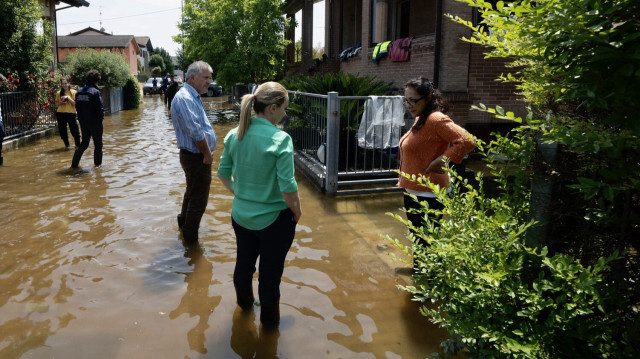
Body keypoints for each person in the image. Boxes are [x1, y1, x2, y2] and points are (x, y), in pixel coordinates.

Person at [217, 82, 301, 329]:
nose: (286, 113)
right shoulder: (280, 139)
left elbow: (223, 173)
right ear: (273, 108)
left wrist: (240, 194)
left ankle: (244, 310)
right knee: (270, 276)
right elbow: (288, 186)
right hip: (274, 220)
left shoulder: (235, 134)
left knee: (243, 264)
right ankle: (269, 328)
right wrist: (297, 211)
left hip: (241, 216)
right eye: (284, 108)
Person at [397, 77, 475, 254]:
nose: (408, 105)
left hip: (429, 192)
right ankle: (419, 274)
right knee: (418, 238)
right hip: (414, 189)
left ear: (428, 98)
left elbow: (467, 141)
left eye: (413, 100)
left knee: (425, 242)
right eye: (406, 100)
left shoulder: (435, 119)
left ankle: (425, 278)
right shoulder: (420, 118)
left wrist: (444, 160)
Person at [171, 61, 217, 243]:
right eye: (206, 77)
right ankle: (190, 242)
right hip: (196, 156)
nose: (209, 82)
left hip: (195, 155)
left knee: (191, 193)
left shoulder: (192, 96)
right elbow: (196, 131)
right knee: (199, 200)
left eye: (210, 78)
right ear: (192, 78)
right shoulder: (185, 98)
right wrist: (207, 154)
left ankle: (184, 226)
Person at [71, 70, 104, 168]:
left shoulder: (79, 92)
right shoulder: (95, 92)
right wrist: (100, 119)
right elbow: (100, 108)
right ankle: (98, 167)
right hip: (95, 123)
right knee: (98, 145)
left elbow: (77, 107)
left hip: (83, 122)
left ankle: (74, 165)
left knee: (84, 144)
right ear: (97, 80)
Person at [55, 77, 80, 148]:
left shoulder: (74, 92)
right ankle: (67, 146)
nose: (64, 85)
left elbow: (76, 104)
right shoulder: (58, 93)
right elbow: (56, 104)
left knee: (74, 130)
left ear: (68, 83)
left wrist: (68, 98)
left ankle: (78, 146)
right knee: (62, 131)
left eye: (65, 83)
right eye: (62, 84)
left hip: (71, 113)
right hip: (60, 113)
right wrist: (61, 102)